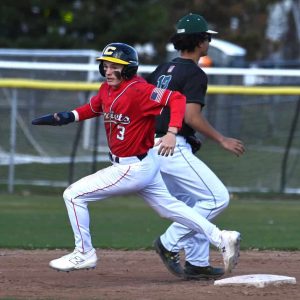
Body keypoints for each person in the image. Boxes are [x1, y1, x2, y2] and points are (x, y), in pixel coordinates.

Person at [32, 42, 240, 274]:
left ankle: (84, 253)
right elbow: (92, 107)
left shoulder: (139, 89)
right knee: (170, 208)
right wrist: (65, 117)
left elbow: (177, 99)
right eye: (106, 66)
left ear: (129, 68)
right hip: (144, 165)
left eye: (115, 67)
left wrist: (171, 132)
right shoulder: (107, 89)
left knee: (73, 195)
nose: (108, 71)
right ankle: (222, 238)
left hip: (131, 168)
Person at [147, 13, 245, 280]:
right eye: (207, 38)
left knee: (192, 202)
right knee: (216, 198)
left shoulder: (161, 69)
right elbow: (191, 116)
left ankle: (197, 262)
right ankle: (168, 243)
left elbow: (150, 108)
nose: (208, 43)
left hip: (154, 146)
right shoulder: (194, 73)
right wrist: (222, 139)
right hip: (171, 146)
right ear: (200, 42)